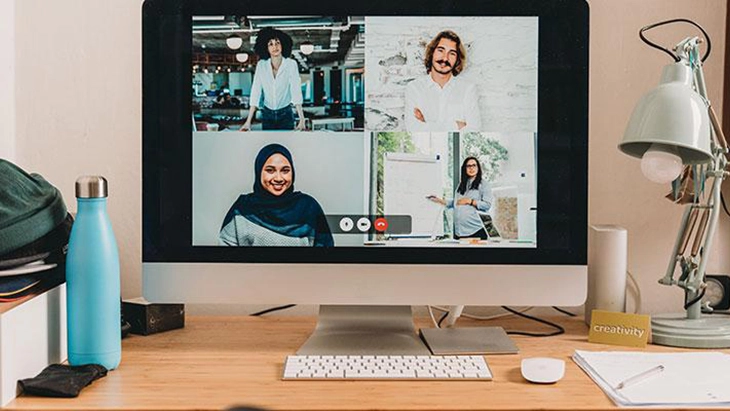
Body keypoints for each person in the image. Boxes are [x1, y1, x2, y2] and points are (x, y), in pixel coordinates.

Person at [219, 144, 333, 247]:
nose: (278, 178)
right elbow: (225, 260)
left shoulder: (309, 207)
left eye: (285, 170)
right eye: (270, 170)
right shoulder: (242, 209)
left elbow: (326, 256)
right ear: (259, 172)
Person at [404, 30, 482, 132]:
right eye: (441, 50)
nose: (445, 58)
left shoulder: (468, 89)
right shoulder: (414, 88)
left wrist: (427, 125)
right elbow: (413, 128)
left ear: (457, 60)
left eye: (452, 54)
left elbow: (475, 129)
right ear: (432, 53)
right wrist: (456, 125)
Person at [241, 28, 305, 131]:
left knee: (287, 145)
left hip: (286, 114)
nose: (275, 47)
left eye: (277, 43)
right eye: (270, 44)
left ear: (283, 44)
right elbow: (256, 91)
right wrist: (248, 122)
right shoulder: (261, 65)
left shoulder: (291, 64)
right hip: (267, 114)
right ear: (265, 48)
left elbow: (296, 91)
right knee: (269, 145)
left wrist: (302, 119)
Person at [427, 156, 492, 239]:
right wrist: (439, 200)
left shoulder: (484, 185)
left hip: (476, 230)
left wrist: (470, 201)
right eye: (468, 166)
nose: (471, 168)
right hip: (459, 232)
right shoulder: (461, 185)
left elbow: (487, 205)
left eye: (474, 165)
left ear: (478, 168)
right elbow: (456, 202)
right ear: (464, 169)